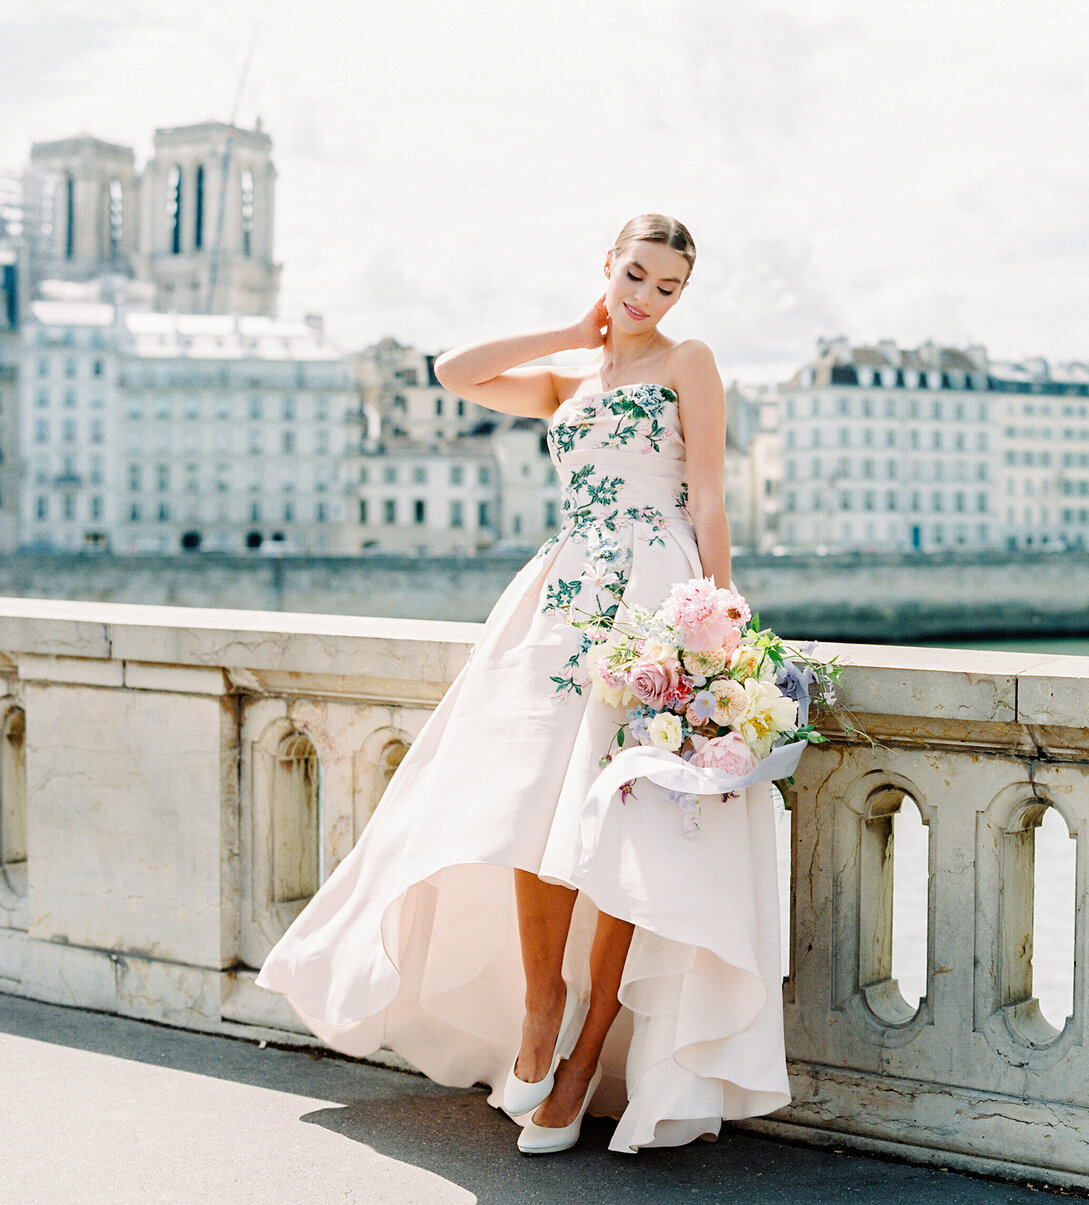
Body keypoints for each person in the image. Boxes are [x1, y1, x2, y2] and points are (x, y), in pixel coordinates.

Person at [256, 214, 790, 1156]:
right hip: (561, 593)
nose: (648, 299)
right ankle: (543, 1005)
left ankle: (585, 1057)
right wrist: (573, 332)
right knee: (525, 806)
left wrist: (720, 627)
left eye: (668, 287)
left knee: (635, 818)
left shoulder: (689, 361)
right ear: (608, 267)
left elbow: (708, 494)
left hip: (654, 589)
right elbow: (452, 372)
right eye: (635, 276)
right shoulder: (565, 380)